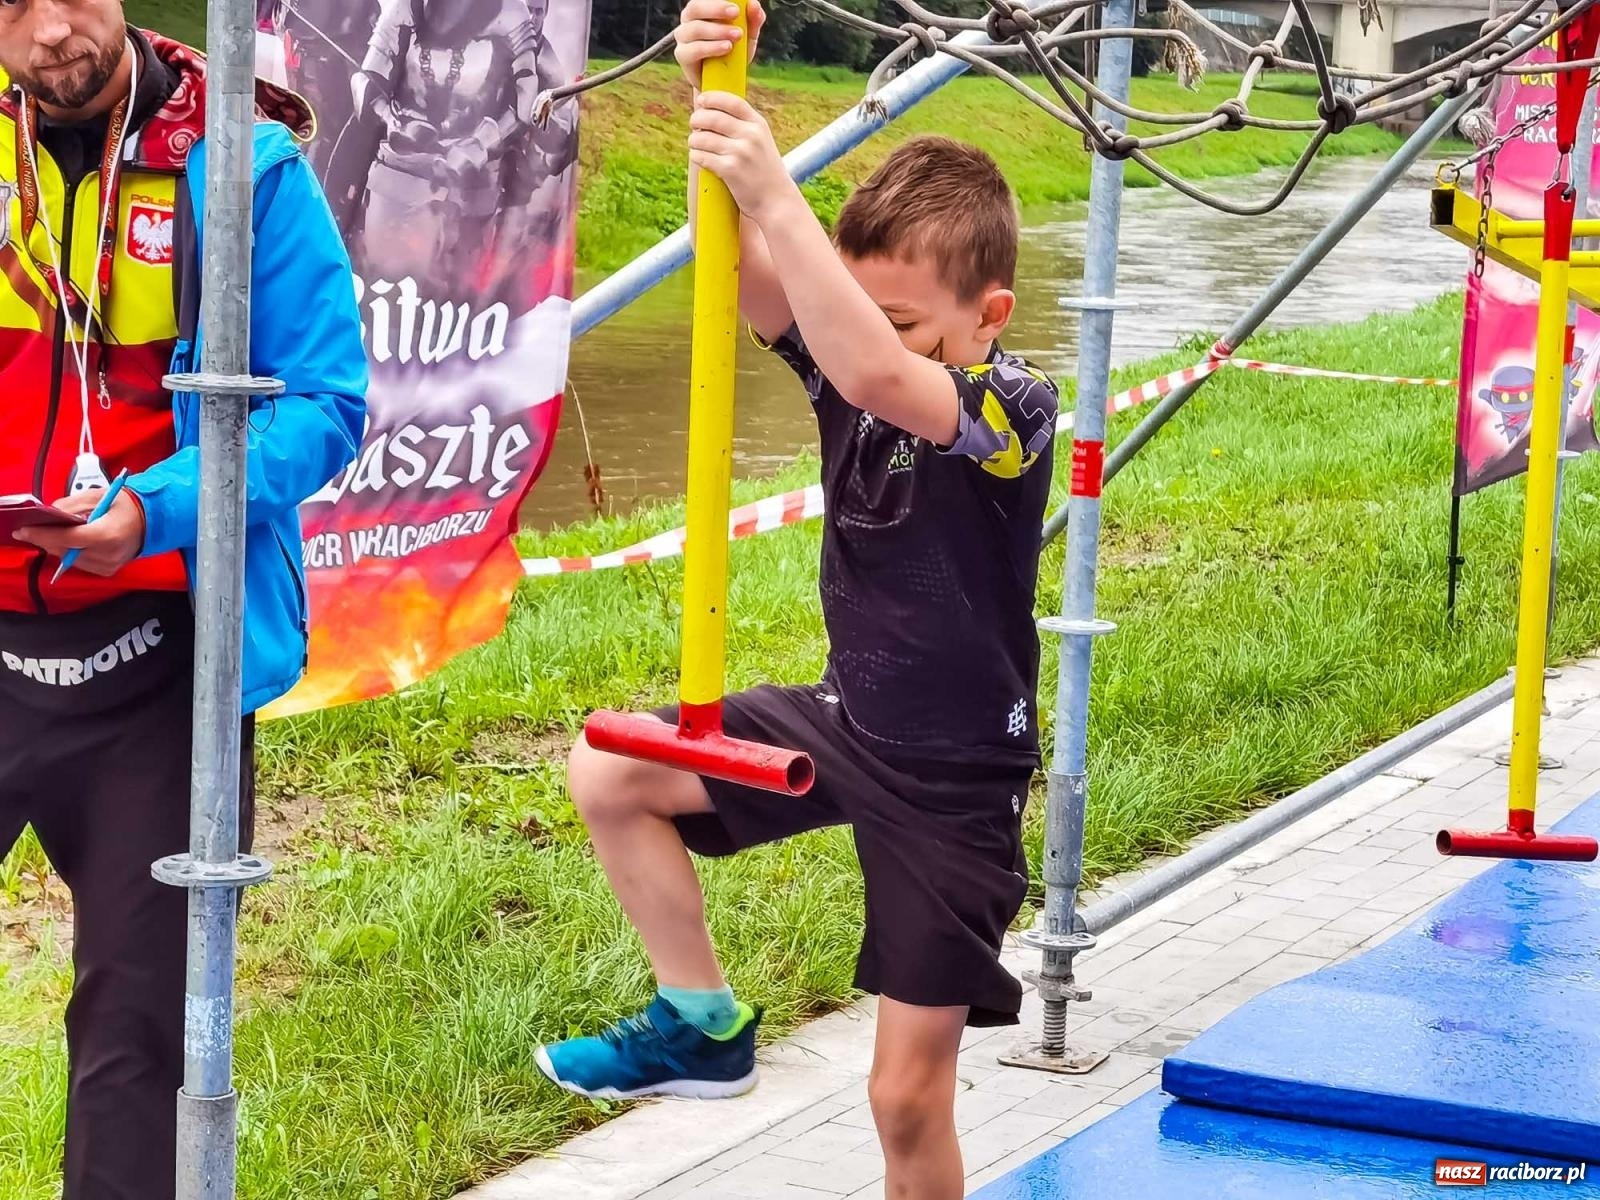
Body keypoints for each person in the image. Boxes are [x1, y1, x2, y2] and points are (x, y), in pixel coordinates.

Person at [536, 3, 1059, 1197]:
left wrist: (781, 189)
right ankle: (701, 1021)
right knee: (609, 771)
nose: (863, 346)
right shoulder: (853, 354)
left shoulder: (1010, 412)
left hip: (955, 780)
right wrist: (710, 94)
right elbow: (746, 272)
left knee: (903, 1101)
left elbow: (877, 368)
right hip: (848, 724)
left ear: (988, 319)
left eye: (907, 321)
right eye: (858, 311)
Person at [0, 3, 367, 1197]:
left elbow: (325, 406)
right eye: (14, 5)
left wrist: (151, 512)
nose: (53, 30)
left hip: (161, 664)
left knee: (137, 1036)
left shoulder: (242, 161)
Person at [345, 0, 575, 282]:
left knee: (460, 291)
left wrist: (480, 144)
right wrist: (389, 119)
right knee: (385, 283)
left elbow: (525, 101)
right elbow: (366, 79)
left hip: (473, 186)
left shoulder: (511, 12)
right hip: (398, 173)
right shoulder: (406, 6)